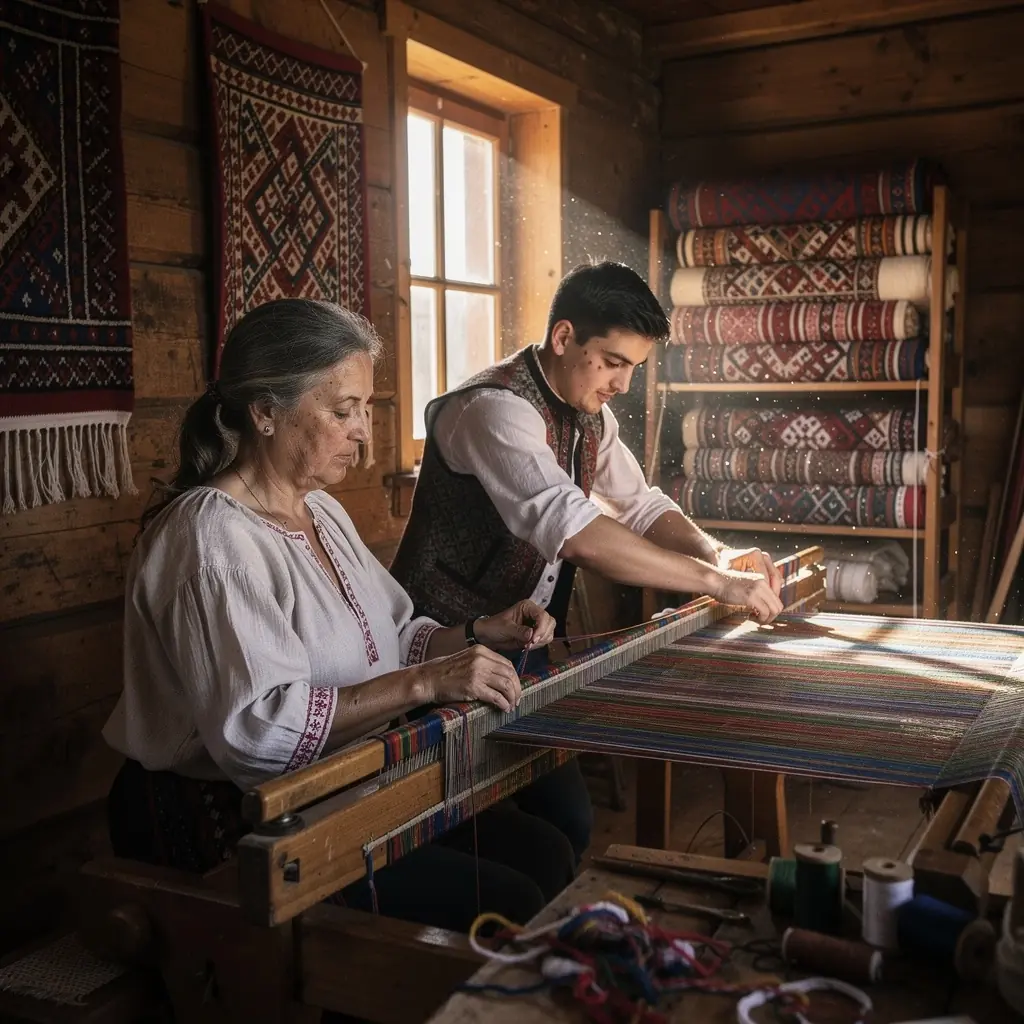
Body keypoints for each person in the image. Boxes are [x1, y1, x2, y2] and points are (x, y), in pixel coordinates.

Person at [101, 298, 577, 933]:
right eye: (342, 411)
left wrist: (474, 634)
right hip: (240, 825)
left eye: (367, 410)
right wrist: (426, 683)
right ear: (266, 413)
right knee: (509, 901)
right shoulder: (211, 542)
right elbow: (259, 734)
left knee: (545, 851)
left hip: (346, 791)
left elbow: (393, 635)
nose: (363, 432)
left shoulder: (320, 511)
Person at [390, 261, 784, 866]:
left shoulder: (590, 413)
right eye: (615, 363)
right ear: (564, 337)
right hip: (438, 652)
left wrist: (716, 551)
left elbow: (640, 504)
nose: (623, 384)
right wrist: (718, 583)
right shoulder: (492, 410)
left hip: (524, 652)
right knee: (478, 844)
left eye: (633, 367)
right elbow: (574, 532)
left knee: (568, 823)